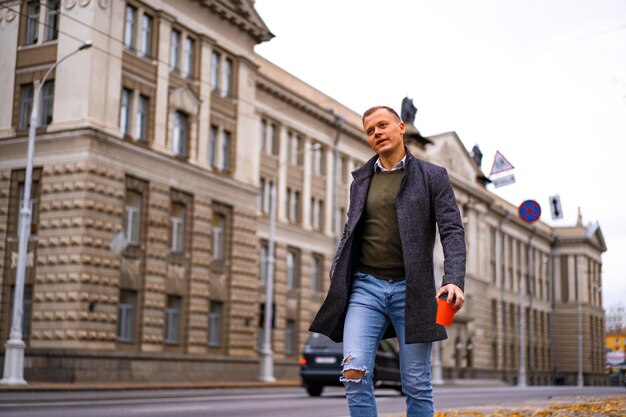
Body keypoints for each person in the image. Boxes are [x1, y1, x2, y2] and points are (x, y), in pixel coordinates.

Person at [309, 106, 466, 417]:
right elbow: (350, 231)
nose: (376, 133)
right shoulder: (361, 181)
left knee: (416, 383)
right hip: (365, 289)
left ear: (400, 128)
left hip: (415, 292)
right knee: (354, 374)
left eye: (382, 125)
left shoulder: (433, 177)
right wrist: (337, 268)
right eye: (370, 130)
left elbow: (452, 230)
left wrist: (454, 278)